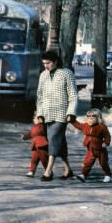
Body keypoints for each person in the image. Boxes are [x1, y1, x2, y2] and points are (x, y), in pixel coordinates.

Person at [35, 49, 77, 181]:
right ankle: (68, 169)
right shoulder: (43, 75)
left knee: (53, 139)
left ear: (56, 61)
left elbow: (73, 95)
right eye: (44, 63)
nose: (46, 66)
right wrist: (40, 113)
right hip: (47, 113)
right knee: (60, 142)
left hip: (62, 114)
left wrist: (71, 112)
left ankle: (48, 171)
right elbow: (39, 96)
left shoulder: (66, 74)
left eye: (48, 63)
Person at [70, 108, 112, 183]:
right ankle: (83, 175)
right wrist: (72, 120)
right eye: (88, 118)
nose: (90, 120)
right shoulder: (86, 125)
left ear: (98, 118)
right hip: (90, 149)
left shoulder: (102, 127)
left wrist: (106, 143)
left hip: (100, 149)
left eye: (92, 118)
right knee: (87, 162)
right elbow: (78, 125)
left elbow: (107, 136)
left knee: (103, 163)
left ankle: (107, 175)